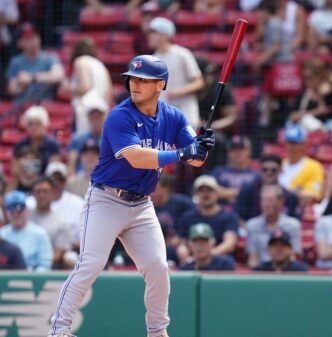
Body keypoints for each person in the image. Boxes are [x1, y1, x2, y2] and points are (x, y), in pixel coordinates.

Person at [47, 55, 216, 337]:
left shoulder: (173, 117)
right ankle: (59, 330)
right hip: (106, 199)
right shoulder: (120, 115)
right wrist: (182, 153)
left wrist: (201, 148)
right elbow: (137, 158)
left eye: (143, 80)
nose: (134, 84)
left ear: (160, 84)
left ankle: (157, 332)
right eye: (132, 79)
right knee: (90, 263)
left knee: (158, 267)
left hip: (141, 204)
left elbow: (195, 160)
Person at [147, 17, 204, 128]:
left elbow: (199, 82)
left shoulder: (183, 54)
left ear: (164, 35)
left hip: (186, 115)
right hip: (163, 119)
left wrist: (179, 91)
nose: (149, 36)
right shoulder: (152, 60)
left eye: (153, 32)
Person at [176, 175, 239, 258]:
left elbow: (229, 244)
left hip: (221, 263)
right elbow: (182, 243)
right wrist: (184, 253)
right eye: (201, 190)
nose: (205, 194)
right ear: (195, 194)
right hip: (193, 262)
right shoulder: (187, 217)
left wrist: (205, 257)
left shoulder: (229, 216)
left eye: (209, 190)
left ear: (217, 193)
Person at [5, 23, 64, 105]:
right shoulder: (15, 62)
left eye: (35, 36)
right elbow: (12, 89)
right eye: (28, 38)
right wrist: (22, 85)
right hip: (20, 107)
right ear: (20, 43)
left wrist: (32, 78)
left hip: (43, 106)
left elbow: (58, 75)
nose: (33, 40)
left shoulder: (50, 58)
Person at [245, 185, 302, 267]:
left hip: (285, 270)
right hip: (261, 271)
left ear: (281, 202)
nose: (267, 204)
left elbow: (293, 256)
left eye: (271, 200)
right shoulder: (251, 225)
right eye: (264, 200)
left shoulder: (293, 225)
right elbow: (252, 257)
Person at [66, 37, 112, 133]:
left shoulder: (80, 61)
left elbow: (85, 87)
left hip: (85, 113)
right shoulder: (101, 65)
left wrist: (68, 88)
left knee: (84, 144)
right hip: (102, 113)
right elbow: (109, 96)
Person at [235, 154, 299, 222]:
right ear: (260, 170)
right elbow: (239, 217)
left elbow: (293, 221)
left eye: (273, 170)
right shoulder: (247, 192)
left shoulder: (289, 196)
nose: (269, 172)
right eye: (265, 169)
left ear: (280, 170)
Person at [1, 190, 53, 272]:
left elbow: (45, 265)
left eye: (19, 210)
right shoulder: (2, 233)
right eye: (12, 211)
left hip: (31, 278)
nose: (15, 214)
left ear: (26, 210)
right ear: (7, 213)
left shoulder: (39, 233)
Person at [28, 177, 72, 268]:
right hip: (20, 268)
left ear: (52, 194)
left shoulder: (61, 222)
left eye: (45, 191)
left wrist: (37, 266)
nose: (41, 195)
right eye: (38, 191)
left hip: (48, 272)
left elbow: (58, 254)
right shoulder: (25, 217)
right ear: (33, 194)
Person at [278, 124, 325, 205]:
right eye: (289, 142)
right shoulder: (279, 164)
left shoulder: (314, 167)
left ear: (304, 144)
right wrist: (296, 192)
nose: (291, 147)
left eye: (295, 143)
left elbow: (311, 197)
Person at [11, 105, 61, 178]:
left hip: (45, 182)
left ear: (44, 125)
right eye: (30, 124)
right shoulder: (20, 145)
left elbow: (53, 170)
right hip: (24, 181)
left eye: (37, 124)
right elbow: (15, 170)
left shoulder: (52, 145)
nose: (34, 128)